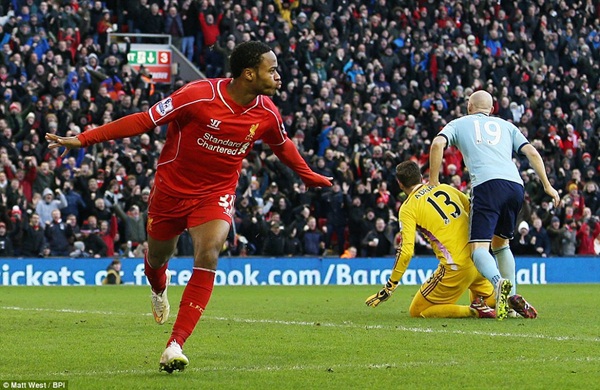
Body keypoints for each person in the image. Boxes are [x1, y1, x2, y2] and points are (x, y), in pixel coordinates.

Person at [45, 41, 332, 373]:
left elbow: (282, 145)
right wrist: (84, 138)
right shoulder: (197, 95)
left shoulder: (266, 112)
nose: (279, 76)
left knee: (209, 253)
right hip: (170, 194)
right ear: (249, 74)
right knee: (156, 260)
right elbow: (144, 120)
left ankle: (174, 344)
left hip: (215, 194)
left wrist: (308, 175)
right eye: (273, 69)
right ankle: (158, 286)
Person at [429, 90, 560, 320]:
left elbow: (438, 143)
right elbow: (531, 151)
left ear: (469, 107)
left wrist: (433, 181)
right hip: (515, 186)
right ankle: (511, 304)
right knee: (501, 245)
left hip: (487, 185)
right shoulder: (506, 125)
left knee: (478, 249)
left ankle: (500, 285)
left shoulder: (459, 123)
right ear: (491, 109)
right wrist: (547, 186)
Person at [365, 161, 496, 319]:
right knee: (484, 299)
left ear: (399, 184)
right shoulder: (444, 187)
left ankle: (474, 311)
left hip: (456, 266)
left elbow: (405, 252)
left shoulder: (408, 208)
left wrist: (390, 286)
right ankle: (508, 301)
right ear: (421, 177)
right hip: (479, 257)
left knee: (418, 311)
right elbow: (475, 210)